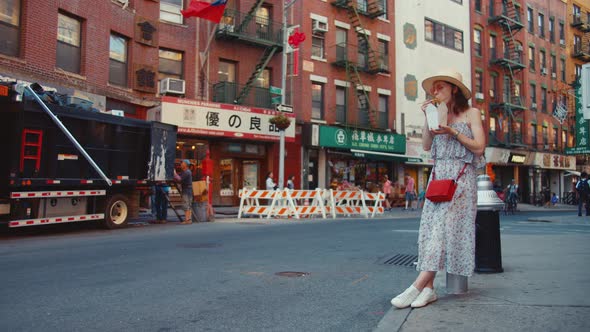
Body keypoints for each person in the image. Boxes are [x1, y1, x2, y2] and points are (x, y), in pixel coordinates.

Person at [390, 70, 485, 309]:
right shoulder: (437, 114)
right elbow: (425, 145)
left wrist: (453, 131)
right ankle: (429, 290)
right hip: (438, 176)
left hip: (461, 178)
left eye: (440, 87)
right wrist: (427, 117)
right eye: (433, 88)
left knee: (443, 230)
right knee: (429, 231)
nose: (435, 91)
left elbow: (479, 147)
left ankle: (416, 286)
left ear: (454, 88)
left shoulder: (471, 113)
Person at [174, 159, 193, 224]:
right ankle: (189, 219)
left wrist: (174, 173)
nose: (181, 164)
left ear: (185, 165)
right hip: (188, 190)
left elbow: (180, 179)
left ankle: (187, 220)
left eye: (182, 163)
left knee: (186, 205)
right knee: (188, 205)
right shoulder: (186, 172)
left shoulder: (187, 172)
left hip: (187, 190)